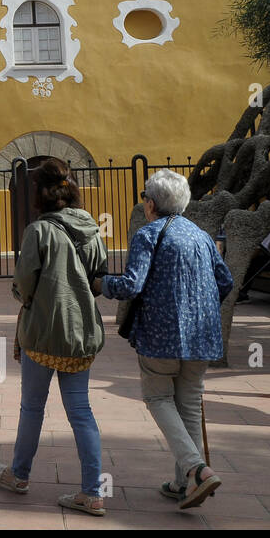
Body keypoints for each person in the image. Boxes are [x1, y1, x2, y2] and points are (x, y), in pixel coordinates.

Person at [95, 169, 232, 510]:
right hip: (202, 337)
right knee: (188, 405)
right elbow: (225, 281)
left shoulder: (149, 234)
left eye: (144, 198)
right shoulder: (201, 236)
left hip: (161, 334)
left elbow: (131, 284)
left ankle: (196, 470)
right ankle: (183, 482)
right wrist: (197, 305)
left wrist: (100, 284)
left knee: (158, 398)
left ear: (151, 203)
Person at [0, 158, 109, 516]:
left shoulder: (38, 231)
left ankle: (19, 474)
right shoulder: (90, 228)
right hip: (80, 334)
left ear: (39, 194)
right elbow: (98, 277)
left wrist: (27, 298)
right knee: (81, 411)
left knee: (32, 407)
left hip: (42, 334)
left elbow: (24, 283)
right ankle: (92, 492)